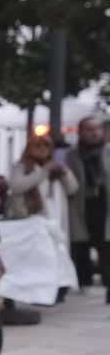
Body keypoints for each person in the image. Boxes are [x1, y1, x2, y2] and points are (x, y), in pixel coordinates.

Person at [67, 114, 109, 290]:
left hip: (104, 203)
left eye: (97, 128)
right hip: (81, 203)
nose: (94, 133)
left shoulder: (107, 151)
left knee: (105, 244)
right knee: (80, 243)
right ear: (80, 132)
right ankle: (83, 281)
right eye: (89, 129)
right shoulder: (73, 155)